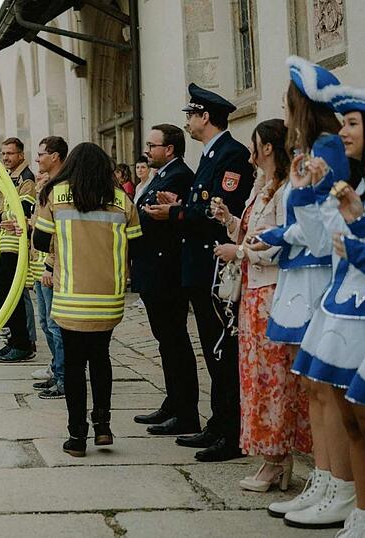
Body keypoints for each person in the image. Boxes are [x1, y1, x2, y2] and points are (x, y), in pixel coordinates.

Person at [257, 57, 354, 529]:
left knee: (326, 387)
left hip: (320, 275)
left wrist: (280, 232)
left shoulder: (326, 147)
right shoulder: (310, 150)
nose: (283, 110)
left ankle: (340, 484)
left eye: (287, 102)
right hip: (305, 273)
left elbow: (320, 235)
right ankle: (324, 477)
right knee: (314, 386)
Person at [146, 83, 255, 462]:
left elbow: (219, 211)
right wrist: (180, 204)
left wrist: (176, 212)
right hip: (198, 267)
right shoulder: (211, 155)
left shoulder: (231, 155)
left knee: (222, 350)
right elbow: (202, 204)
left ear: (204, 116)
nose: (188, 122)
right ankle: (217, 423)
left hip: (215, 267)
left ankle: (231, 431)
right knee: (212, 350)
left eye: (190, 115)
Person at [212, 119, 311, 492]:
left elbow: (281, 244)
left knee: (273, 379)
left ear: (266, 147)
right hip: (253, 293)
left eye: (254, 143)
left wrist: (238, 252)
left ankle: (276, 458)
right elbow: (253, 233)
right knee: (256, 378)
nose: (250, 150)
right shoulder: (263, 187)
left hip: (271, 293)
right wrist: (229, 221)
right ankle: (273, 457)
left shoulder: (284, 192)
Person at [32, 142, 142, 457]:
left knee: (74, 365)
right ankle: (103, 426)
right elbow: (137, 245)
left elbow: (39, 241)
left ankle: (77, 436)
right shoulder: (122, 199)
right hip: (108, 296)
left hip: (71, 294)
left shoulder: (55, 195)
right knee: (101, 359)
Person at [133, 124, 200, 435]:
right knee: (166, 342)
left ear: (169, 149)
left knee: (175, 342)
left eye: (152, 145)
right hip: (152, 269)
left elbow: (148, 216)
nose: (147, 150)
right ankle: (173, 403)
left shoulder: (178, 175)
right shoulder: (161, 175)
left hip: (166, 272)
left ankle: (186, 412)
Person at [327, 83, 365, 536]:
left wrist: (355, 235)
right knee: (353, 417)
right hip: (348, 304)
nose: (343, 132)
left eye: (352, 123)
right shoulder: (356, 182)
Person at [0, 137, 37, 363]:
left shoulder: (26, 179)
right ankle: (15, 340)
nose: (5, 158)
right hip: (6, 241)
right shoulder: (11, 178)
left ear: (21, 155)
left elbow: (23, 211)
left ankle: (22, 343)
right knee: (3, 292)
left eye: (10, 153)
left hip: (15, 243)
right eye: (3, 154)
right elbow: (7, 210)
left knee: (10, 292)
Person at [30, 136, 67, 398]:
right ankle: (57, 370)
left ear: (54, 156)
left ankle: (64, 377)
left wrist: (51, 265)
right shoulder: (49, 188)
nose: (38, 159)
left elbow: (59, 233)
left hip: (52, 265)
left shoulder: (61, 189)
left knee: (55, 325)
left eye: (41, 154)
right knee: (45, 322)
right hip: (41, 262)